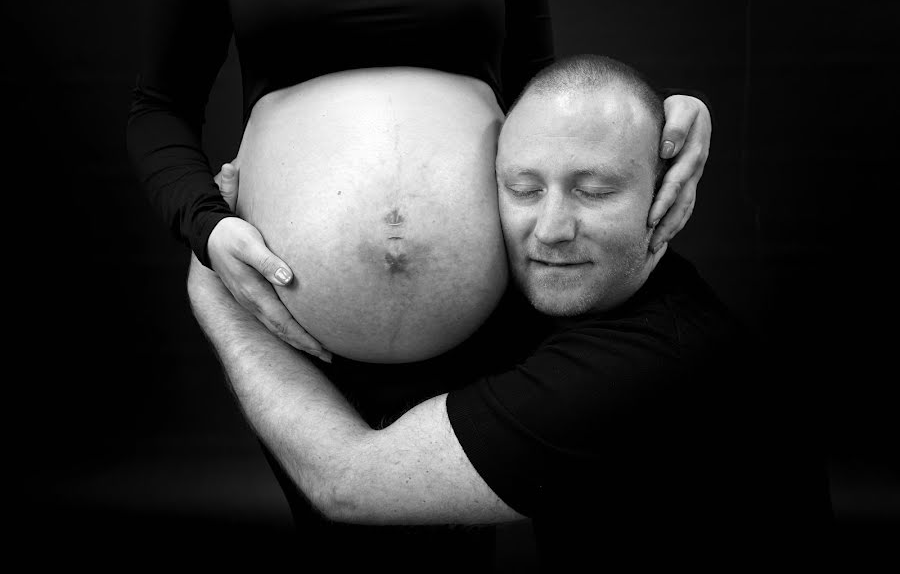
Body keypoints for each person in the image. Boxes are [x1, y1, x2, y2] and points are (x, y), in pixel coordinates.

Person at [188, 55, 831, 570]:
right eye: (523, 189)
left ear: (667, 190)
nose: (550, 229)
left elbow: (344, 482)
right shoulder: (585, 304)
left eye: (596, 190)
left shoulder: (646, 367)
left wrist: (212, 286)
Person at [127, 0, 711, 364]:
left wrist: (660, 123)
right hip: (290, 309)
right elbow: (158, 107)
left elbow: (541, 96)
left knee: (458, 538)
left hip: (489, 314)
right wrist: (207, 227)